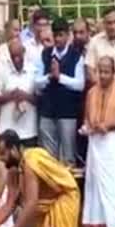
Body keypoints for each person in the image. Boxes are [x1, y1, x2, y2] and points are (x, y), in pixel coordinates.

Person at [0, 131, 80, 227]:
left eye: (3, 153)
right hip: (48, 205)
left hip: (64, 199)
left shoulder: (30, 162)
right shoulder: (13, 171)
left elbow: (31, 204)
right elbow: (9, 204)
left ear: (13, 150)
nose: (1, 159)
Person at [81, 56, 115, 227]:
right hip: (95, 143)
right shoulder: (91, 93)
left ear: (113, 73)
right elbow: (86, 119)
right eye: (100, 71)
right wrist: (88, 127)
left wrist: (109, 125)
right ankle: (97, 222)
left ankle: (114, 225)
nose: (103, 75)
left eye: (106, 72)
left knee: (113, 186)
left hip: (112, 144)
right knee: (94, 184)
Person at [34, 17, 85, 167]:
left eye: (61, 35)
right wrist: (50, 77)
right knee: (48, 158)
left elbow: (80, 84)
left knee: (68, 156)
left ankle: (69, 189)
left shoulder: (76, 56)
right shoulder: (45, 54)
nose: (57, 39)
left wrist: (60, 77)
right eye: (55, 35)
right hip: (48, 111)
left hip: (68, 112)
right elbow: (36, 81)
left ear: (68, 35)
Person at [0, 38, 37, 145]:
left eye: (19, 56)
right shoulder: (3, 70)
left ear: (24, 52)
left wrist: (25, 96)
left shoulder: (33, 70)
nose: (16, 60)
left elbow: (40, 100)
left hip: (29, 130)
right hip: (7, 129)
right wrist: (11, 96)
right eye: (13, 56)